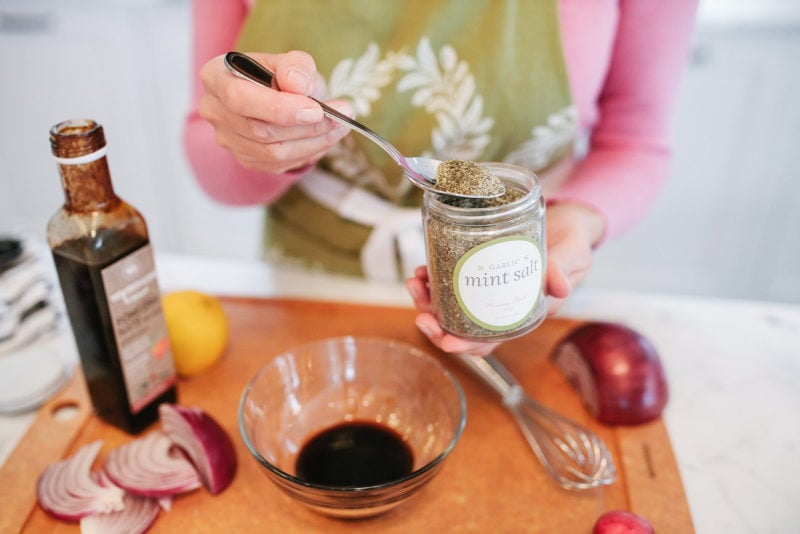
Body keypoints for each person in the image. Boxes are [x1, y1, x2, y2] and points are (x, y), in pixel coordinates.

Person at [184, 0, 698, 355]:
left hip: (519, 270)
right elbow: (210, 160)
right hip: (313, 281)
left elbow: (635, 143)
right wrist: (272, 141)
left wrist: (574, 222)